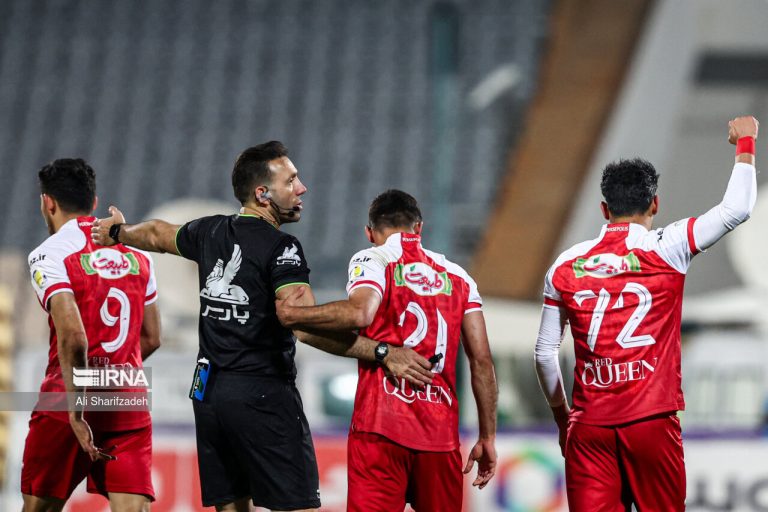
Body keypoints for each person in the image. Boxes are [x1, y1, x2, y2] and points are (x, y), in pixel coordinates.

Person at [90, 141, 432, 512]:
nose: (301, 188)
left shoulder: (209, 231)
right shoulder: (282, 247)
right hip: (262, 394)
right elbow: (303, 325)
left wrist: (118, 232)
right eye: (291, 181)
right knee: (297, 506)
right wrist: (381, 351)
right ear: (262, 194)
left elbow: (157, 233)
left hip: (208, 393)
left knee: (231, 507)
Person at [534, 116, 759, 511]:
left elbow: (544, 354)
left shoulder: (565, 265)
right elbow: (737, 209)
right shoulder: (667, 246)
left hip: (590, 425)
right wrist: (746, 142)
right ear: (655, 204)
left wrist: (562, 417)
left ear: (604, 208)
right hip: (650, 421)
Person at [275, 189, 498, 512]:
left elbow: (360, 313)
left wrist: (294, 315)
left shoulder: (373, 258)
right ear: (419, 227)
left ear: (369, 233)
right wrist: (487, 436)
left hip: (380, 428)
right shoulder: (460, 277)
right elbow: (481, 360)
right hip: (440, 436)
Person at [23, 158, 161, 512]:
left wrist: (77, 410)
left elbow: (74, 336)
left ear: (47, 203)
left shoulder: (49, 254)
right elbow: (151, 338)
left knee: (40, 508)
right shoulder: (138, 255)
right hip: (125, 397)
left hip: (67, 399)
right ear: (94, 202)